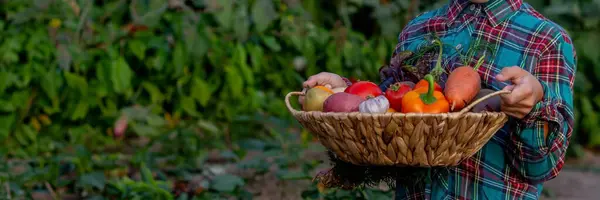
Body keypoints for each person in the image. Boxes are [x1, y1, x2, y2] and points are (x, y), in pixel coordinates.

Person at [300, 0, 576, 199]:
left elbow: (541, 167)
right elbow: (389, 113)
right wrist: (342, 94)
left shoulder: (545, 40)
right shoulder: (418, 30)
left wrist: (533, 108)